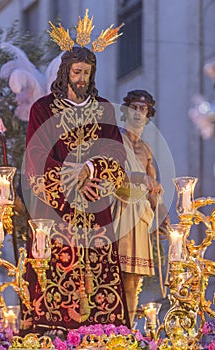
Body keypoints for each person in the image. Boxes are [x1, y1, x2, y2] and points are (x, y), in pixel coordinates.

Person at [19, 46, 130, 335]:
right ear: (65, 71)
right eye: (77, 72)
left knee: (99, 281)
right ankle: (53, 333)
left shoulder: (104, 109)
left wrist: (92, 171)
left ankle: (104, 335)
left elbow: (116, 155)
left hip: (95, 207)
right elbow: (36, 156)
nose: (81, 78)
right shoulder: (43, 109)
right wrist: (73, 177)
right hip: (56, 209)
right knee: (54, 270)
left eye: (87, 73)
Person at [110, 89, 169, 326]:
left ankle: (128, 328)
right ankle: (111, 326)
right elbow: (111, 176)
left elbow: (153, 186)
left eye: (143, 109)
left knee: (134, 277)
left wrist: (162, 217)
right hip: (121, 210)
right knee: (118, 273)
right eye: (133, 108)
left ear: (148, 115)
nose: (138, 113)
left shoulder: (146, 149)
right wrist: (139, 179)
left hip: (141, 216)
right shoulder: (115, 141)